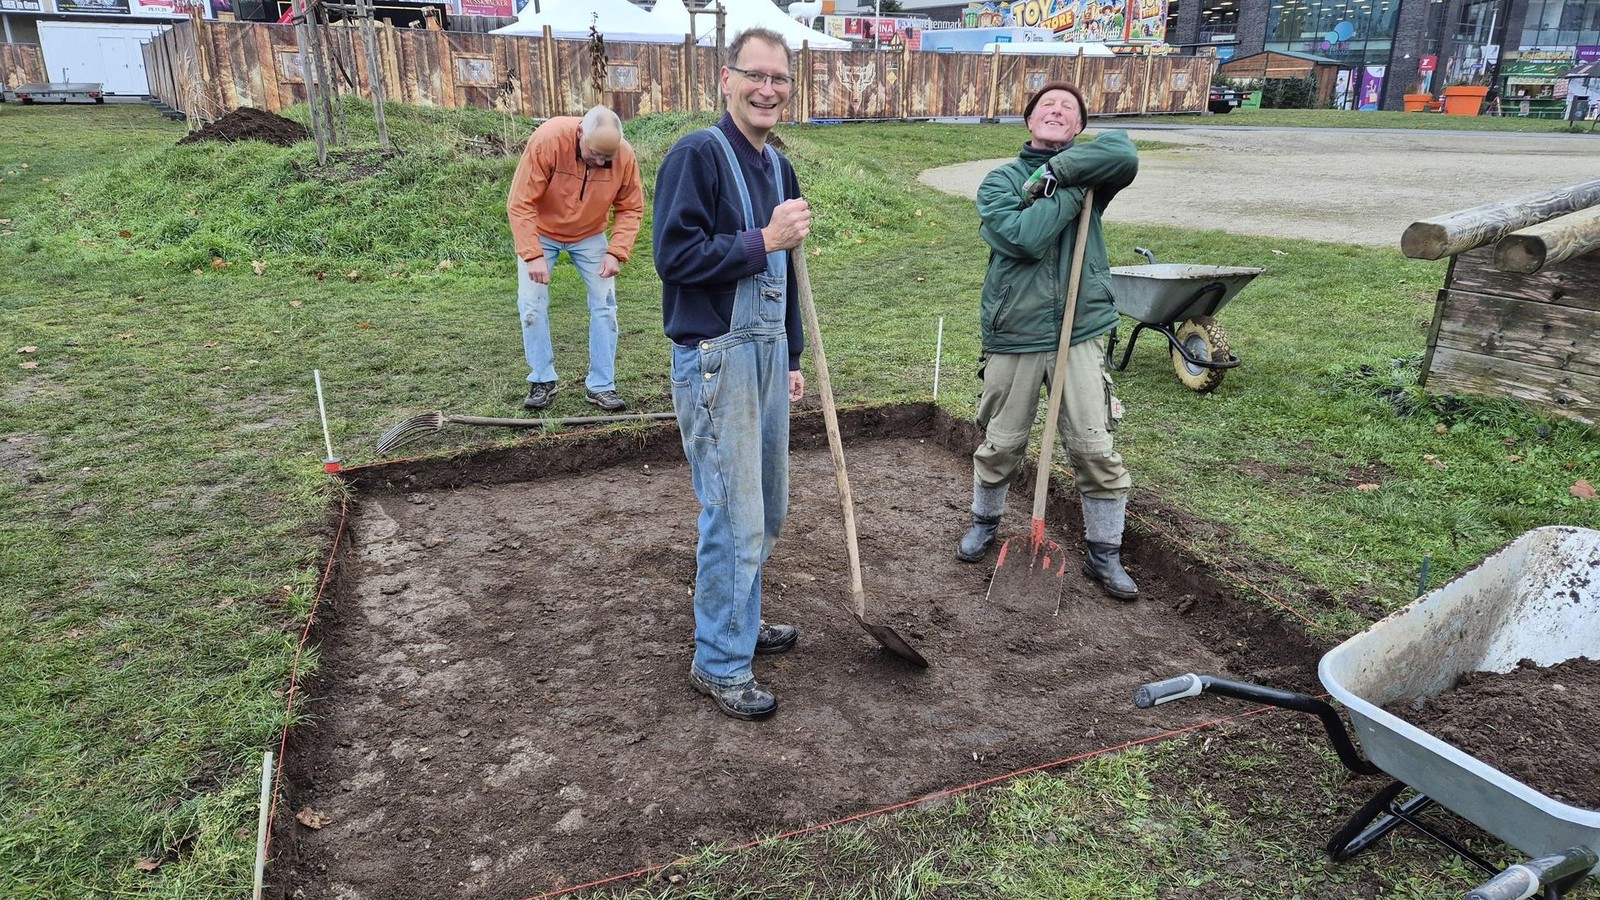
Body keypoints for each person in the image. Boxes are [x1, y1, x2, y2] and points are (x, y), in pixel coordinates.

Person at [653, 27, 811, 720]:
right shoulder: (698, 155)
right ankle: (719, 660)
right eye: (756, 75)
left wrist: (795, 355)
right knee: (734, 511)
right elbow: (674, 257)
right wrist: (763, 239)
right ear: (727, 78)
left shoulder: (778, 167)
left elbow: (792, 272)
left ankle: (740, 622)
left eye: (779, 78)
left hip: (769, 354)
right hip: (717, 357)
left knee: (768, 506)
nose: (768, 89)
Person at [954, 81, 1142, 601]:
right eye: (1046, 105)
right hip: (1016, 332)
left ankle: (1104, 554)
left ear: (1079, 127)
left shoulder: (1087, 168)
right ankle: (984, 525)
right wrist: (1075, 191)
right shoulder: (1000, 182)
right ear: (1029, 121)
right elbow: (1023, 238)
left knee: (1093, 447)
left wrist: (1059, 174)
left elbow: (1124, 150)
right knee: (1003, 443)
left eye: (1069, 108)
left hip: (1079, 333)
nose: (1057, 111)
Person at [507, 104, 643, 412]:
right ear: (580, 132)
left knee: (605, 306)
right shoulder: (548, 140)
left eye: (606, 158)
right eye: (595, 154)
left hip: (591, 235)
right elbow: (520, 202)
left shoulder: (623, 155)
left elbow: (631, 208)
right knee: (531, 304)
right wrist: (532, 255)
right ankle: (542, 379)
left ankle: (602, 385)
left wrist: (616, 251)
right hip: (542, 232)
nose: (600, 162)